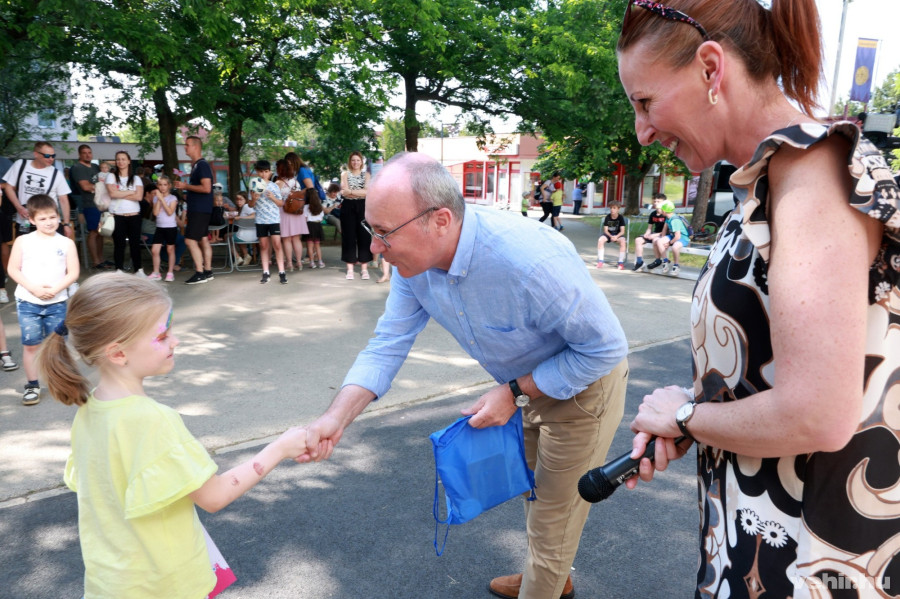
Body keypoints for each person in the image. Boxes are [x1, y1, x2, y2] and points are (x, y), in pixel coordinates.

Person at [617, 1, 900, 596]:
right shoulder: (767, 179)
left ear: (711, 69)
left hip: (812, 562)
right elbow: (764, 377)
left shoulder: (811, 172)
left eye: (645, 102)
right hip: (762, 538)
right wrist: (695, 414)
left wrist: (688, 417)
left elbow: (815, 413)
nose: (641, 131)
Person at [297, 152, 629, 599]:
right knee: (534, 489)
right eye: (369, 231)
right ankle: (551, 575)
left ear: (440, 220)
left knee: (556, 513)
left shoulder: (529, 260)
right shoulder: (412, 266)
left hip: (586, 384)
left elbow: (605, 348)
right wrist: (333, 420)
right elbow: (386, 345)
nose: (374, 248)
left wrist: (514, 392)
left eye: (383, 234)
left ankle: (546, 578)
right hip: (519, 389)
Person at [38, 272, 308, 599]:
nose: (174, 341)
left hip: (111, 584)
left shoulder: (88, 412)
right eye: (163, 335)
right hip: (164, 585)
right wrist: (280, 448)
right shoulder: (152, 419)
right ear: (118, 353)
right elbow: (214, 495)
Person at [7, 194, 79, 406]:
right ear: (31, 220)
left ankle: (61, 382)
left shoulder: (66, 243)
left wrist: (55, 290)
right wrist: (34, 289)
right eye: (42, 219)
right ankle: (32, 385)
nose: (49, 222)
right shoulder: (23, 241)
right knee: (31, 346)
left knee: (57, 345)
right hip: (28, 302)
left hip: (56, 303)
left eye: (52, 217)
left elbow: (73, 272)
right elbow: (12, 268)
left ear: (58, 216)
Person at [1, 142, 75, 242]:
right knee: (26, 253)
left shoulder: (56, 173)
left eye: (53, 156)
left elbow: (64, 200)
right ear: (36, 154)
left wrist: (66, 224)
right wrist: (19, 207)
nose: (51, 159)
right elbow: (9, 187)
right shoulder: (21, 165)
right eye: (47, 156)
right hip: (24, 221)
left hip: (48, 222)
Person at [174, 136, 215, 285]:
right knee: (203, 239)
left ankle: (200, 273)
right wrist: (188, 193)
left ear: (196, 147)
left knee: (190, 240)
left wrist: (186, 187)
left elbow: (206, 188)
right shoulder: (197, 165)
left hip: (199, 210)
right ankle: (208, 271)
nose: (185, 147)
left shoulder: (202, 165)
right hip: (200, 209)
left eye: (187, 145)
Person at [105, 151, 145, 276]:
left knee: (135, 244)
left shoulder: (136, 178)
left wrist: (120, 193)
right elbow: (112, 194)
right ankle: (119, 270)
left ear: (128, 161)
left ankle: (138, 270)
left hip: (134, 215)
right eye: (118, 159)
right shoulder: (111, 176)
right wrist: (130, 192)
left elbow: (139, 196)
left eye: (123, 159)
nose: (120, 161)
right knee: (119, 244)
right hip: (118, 215)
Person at [69, 145, 107, 270]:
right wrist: (102, 188)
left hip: (101, 203)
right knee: (93, 232)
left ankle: (101, 259)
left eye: (89, 152)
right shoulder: (77, 168)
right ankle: (96, 261)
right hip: (89, 204)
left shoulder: (96, 167)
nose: (87, 155)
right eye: (84, 153)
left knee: (101, 232)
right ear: (79, 154)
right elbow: (85, 186)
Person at [248, 160, 287, 285]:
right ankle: (266, 272)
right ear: (257, 172)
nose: (264, 174)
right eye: (261, 172)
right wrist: (254, 199)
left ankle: (282, 272)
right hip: (260, 219)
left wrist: (273, 198)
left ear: (270, 172)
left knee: (277, 244)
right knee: (264, 246)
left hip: (274, 219)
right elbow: (250, 205)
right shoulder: (254, 184)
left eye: (266, 171)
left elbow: (281, 204)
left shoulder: (274, 186)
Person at [339, 151, 373, 280]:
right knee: (349, 237)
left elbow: (367, 192)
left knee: (364, 235)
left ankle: (364, 269)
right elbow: (344, 193)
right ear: (350, 162)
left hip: (363, 206)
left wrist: (352, 191)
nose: (355, 162)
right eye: (353, 160)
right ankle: (350, 269)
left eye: (358, 160)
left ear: (361, 162)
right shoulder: (345, 174)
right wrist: (357, 192)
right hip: (348, 207)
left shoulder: (367, 175)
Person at [275, 158, 307, 271]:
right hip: (297, 212)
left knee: (286, 239)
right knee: (296, 239)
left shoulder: (278, 183)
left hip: (285, 212)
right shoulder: (296, 182)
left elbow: (276, 200)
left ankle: (289, 263)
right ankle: (299, 262)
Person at [149, 176, 178, 282]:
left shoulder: (173, 198)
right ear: (157, 186)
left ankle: (170, 272)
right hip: (159, 227)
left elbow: (170, 212)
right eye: (160, 185)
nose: (162, 187)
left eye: (165, 185)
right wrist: (159, 199)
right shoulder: (156, 198)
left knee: (170, 249)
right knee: (155, 250)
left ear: (169, 186)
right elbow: (155, 213)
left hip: (170, 227)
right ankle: (156, 272)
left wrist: (162, 199)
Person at [632, 192, 667, 271]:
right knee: (638, 240)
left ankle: (658, 260)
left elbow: (666, 231)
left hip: (664, 235)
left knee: (655, 240)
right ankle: (640, 262)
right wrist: (647, 234)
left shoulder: (666, 214)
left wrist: (654, 235)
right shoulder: (653, 214)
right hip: (655, 233)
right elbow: (649, 227)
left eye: (658, 201)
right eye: (654, 201)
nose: (656, 203)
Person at [652, 199, 687, 276]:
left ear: (664, 211)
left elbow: (678, 236)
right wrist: (663, 240)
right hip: (673, 236)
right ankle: (665, 261)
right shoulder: (668, 218)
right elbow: (664, 230)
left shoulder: (675, 220)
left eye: (661, 209)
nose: (660, 210)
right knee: (659, 241)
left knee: (675, 247)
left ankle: (676, 265)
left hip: (683, 238)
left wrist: (669, 243)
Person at [596, 201, 627, 269]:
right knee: (600, 240)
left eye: (614, 208)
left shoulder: (620, 218)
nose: (612, 210)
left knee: (623, 241)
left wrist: (616, 236)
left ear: (618, 209)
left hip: (618, 234)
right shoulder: (608, 217)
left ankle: (620, 262)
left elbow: (622, 231)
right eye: (611, 208)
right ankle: (600, 261)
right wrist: (611, 236)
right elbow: (606, 230)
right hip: (609, 234)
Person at [302, 187, 326, 269]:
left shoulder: (306, 207)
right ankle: (320, 262)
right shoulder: (320, 206)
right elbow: (322, 218)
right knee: (317, 245)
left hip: (309, 226)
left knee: (310, 245)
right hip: (318, 226)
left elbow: (304, 218)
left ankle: (312, 262)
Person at [231, 191, 255, 266]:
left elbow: (254, 215)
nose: (238, 201)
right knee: (237, 235)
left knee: (227, 237)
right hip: (253, 236)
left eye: (241, 199)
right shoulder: (243, 208)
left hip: (248, 235)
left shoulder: (246, 206)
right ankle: (246, 256)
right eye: (237, 200)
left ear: (246, 199)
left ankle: (238, 257)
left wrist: (240, 217)